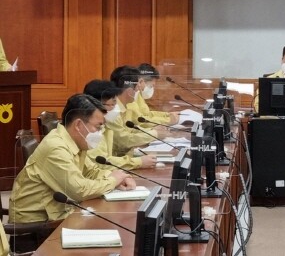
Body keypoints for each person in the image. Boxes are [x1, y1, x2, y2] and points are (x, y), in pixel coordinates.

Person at [9, 94, 135, 223]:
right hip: (35, 227)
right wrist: (113, 181)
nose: (100, 132)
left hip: (59, 214)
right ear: (78, 125)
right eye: (98, 127)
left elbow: (91, 172)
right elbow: (79, 191)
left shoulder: (75, 141)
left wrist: (120, 177)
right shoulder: (56, 148)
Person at [83, 79, 157, 169]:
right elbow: (102, 162)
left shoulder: (104, 125)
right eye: (112, 104)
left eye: (115, 103)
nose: (115, 108)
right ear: (96, 106)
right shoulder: (89, 130)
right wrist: (138, 162)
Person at [109, 65, 170, 156]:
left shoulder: (127, 105)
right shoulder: (113, 110)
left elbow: (131, 130)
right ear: (129, 90)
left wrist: (151, 130)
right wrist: (154, 134)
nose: (140, 88)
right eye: (137, 86)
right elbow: (124, 141)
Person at [125, 63, 180, 127]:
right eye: (151, 86)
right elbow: (139, 121)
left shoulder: (138, 94)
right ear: (141, 81)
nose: (152, 89)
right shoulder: (130, 96)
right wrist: (167, 120)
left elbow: (147, 114)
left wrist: (167, 115)